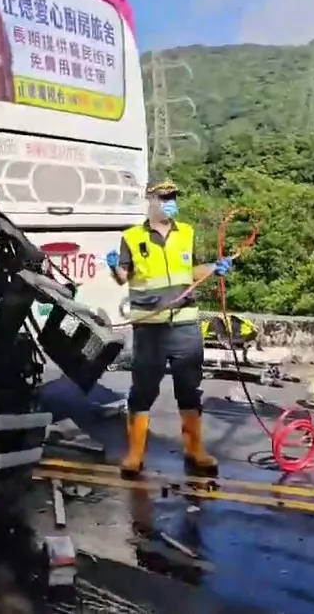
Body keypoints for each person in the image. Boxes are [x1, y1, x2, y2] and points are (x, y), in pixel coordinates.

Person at [105, 180, 232, 477]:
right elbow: (123, 277)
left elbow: (192, 270)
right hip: (150, 327)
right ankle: (134, 454)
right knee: (144, 390)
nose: (169, 202)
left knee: (189, 389)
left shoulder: (186, 233)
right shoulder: (132, 237)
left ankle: (194, 449)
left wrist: (214, 267)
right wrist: (114, 266)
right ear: (150, 201)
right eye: (163, 198)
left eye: (173, 197)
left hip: (185, 324)